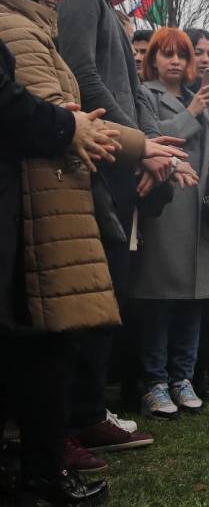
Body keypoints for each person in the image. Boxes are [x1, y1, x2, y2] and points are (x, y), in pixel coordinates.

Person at [55, 0, 172, 450]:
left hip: (119, 163)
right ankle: (78, 417)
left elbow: (137, 92)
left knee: (113, 293)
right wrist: (138, 146)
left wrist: (152, 150)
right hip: (93, 167)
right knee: (94, 296)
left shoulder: (112, 11)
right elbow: (84, 74)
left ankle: (88, 410)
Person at [0, 38, 113, 505]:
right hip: (35, 213)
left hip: (39, 209)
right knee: (44, 347)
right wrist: (69, 124)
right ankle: (43, 473)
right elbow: (13, 105)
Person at [134, 28, 209, 418]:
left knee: (194, 298)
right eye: (166, 54)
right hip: (166, 207)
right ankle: (154, 382)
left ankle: (182, 376)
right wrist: (193, 115)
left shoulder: (196, 97)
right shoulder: (145, 95)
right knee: (160, 297)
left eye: (181, 55)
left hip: (200, 209)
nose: (174, 61)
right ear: (152, 59)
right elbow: (152, 139)